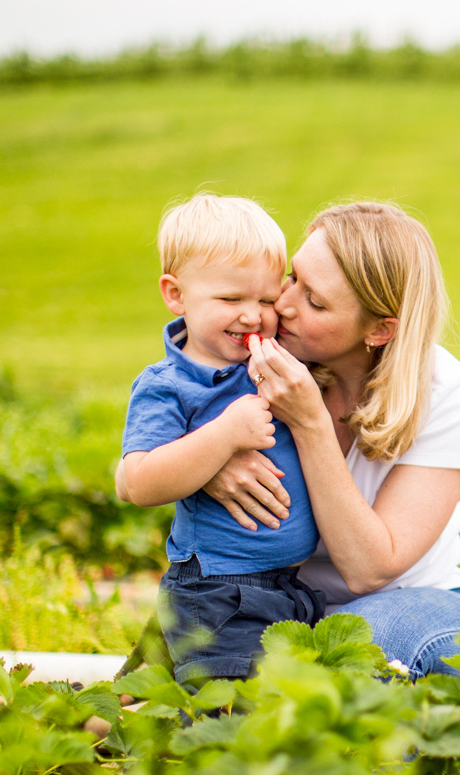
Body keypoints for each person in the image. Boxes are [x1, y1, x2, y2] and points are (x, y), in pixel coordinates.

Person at [204, 201, 460, 680]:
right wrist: (212, 456)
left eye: (316, 302)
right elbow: (141, 468)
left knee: (360, 639)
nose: (285, 305)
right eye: (292, 277)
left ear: (380, 330)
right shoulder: (254, 358)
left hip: (414, 604)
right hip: (279, 606)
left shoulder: (446, 393)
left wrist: (310, 423)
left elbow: (370, 569)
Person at [117, 194, 322, 686]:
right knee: (229, 714)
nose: (253, 317)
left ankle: (106, 719)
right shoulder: (168, 386)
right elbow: (138, 483)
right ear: (175, 294)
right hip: (217, 589)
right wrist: (225, 437)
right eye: (231, 300)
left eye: (267, 301)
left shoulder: (270, 361)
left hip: (284, 585)